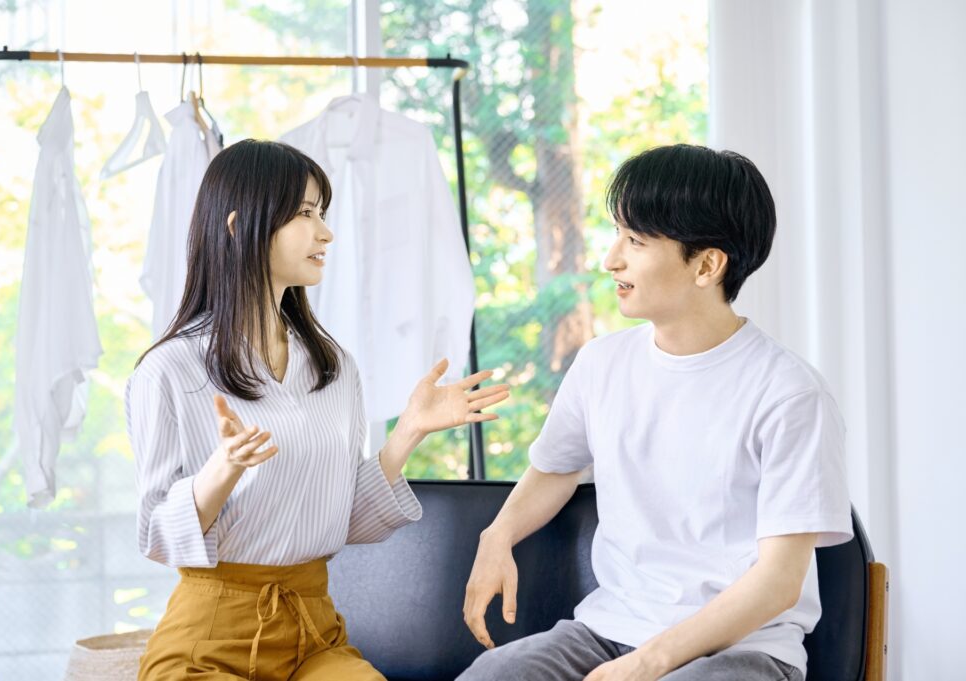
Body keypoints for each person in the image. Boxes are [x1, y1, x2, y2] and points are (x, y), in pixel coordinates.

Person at [458, 144, 851, 681]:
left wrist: (648, 664)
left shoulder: (790, 394)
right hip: (607, 632)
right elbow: (554, 468)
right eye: (617, 234)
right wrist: (497, 536)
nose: (611, 259)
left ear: (707, 265)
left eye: (636, 241)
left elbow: (779, 583)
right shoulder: (601, 364)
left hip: (744, 651)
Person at [126, 139, 508, 681]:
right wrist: (223, 468)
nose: (325, 233)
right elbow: (158, 536)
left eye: (321, 213)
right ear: (239, 226)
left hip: (313, 633)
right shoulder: (169, 370)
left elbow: (343, 520)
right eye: (305, 214)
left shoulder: (333, 367)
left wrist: (408, 432)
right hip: (209, 638)